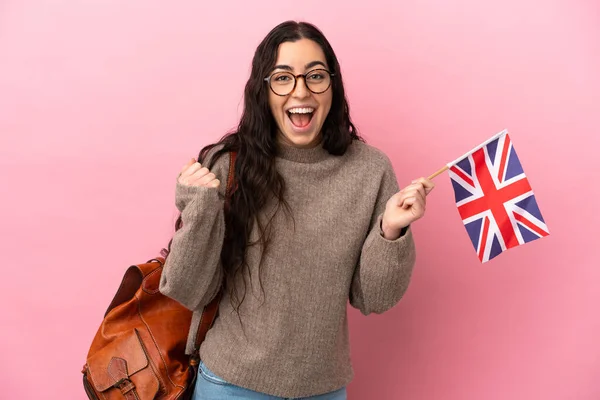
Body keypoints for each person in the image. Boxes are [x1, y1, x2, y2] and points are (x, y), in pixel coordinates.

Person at [159, 20, 434, 400]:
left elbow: (374, 298)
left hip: (324, 389)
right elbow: (189, 290)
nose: (300, 91)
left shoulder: (370, 170)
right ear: (263, 90)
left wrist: (391, 232)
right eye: (283, 78)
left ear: (333, 86)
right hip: (230, 385)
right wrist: (199, 209)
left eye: (315, 76)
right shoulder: (226, 164)